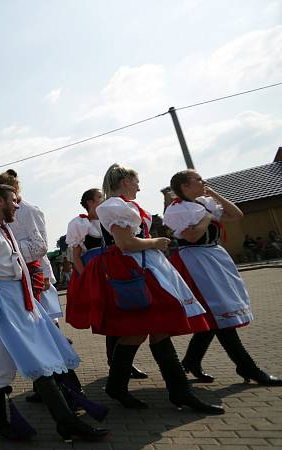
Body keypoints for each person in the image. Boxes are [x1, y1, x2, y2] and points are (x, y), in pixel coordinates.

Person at [67, 163, 224, 414]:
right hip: (134, 269)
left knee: (147, 329)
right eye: (136, 181)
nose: (139, 186)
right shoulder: (114, 206)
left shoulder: (123, 206)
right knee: (150, 327)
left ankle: (157, 390)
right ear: (125, 181)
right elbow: (125, 242)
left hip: (142, 266)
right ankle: (174, 392)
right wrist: (156, 242)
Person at [0, 184, 109, 441]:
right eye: (13, 201)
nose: (17, 205)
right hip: (4, 305)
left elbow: (29, 255)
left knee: (2, 364)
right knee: (34, 360)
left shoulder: (4, 230)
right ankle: (65, 423)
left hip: (19, 301)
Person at [164, 170, 281, 386]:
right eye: (197, 180)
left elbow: (236, 215)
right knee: (219, 315)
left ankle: (190, 362)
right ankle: (248, 367)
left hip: (214, 258)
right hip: (196, 262)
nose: (203, 181)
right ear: (184, 187)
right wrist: (207, 217)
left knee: (214, 316)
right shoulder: (178, 209)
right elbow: (191, 236)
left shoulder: (203, 202)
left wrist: (214, 194)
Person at [65, 188, 147, 380]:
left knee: (119, 314)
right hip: (95, 274)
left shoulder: (108, 220)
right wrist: (86, 279)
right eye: (100, 197)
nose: (104, 200)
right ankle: (117, 364)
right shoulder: (79, 223)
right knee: (112, 317)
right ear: (90, 203)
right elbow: (76, 257)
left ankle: (119, 362)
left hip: (113, 271)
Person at [0, 170, 64, 321]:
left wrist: (46, 274)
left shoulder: (29, 210)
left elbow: (41, 245)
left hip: (34, 267)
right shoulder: (3, 213)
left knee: (43, 314)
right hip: (18, 269)